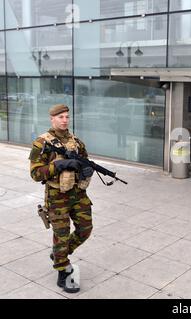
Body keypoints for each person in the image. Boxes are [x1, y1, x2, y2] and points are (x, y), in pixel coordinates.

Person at [28, 104, 94, 293]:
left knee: (85, 229)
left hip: (78, 194)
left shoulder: (77, 142)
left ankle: (59, 254)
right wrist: (59, 165)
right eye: (60, 117)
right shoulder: (42, 143)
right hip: (57, 197)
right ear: (52, 119)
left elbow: (84, 162)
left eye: (66, 117)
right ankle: (63, 271)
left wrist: (85, 170)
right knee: (62, 235)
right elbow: (35, 174)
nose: (64, 120)